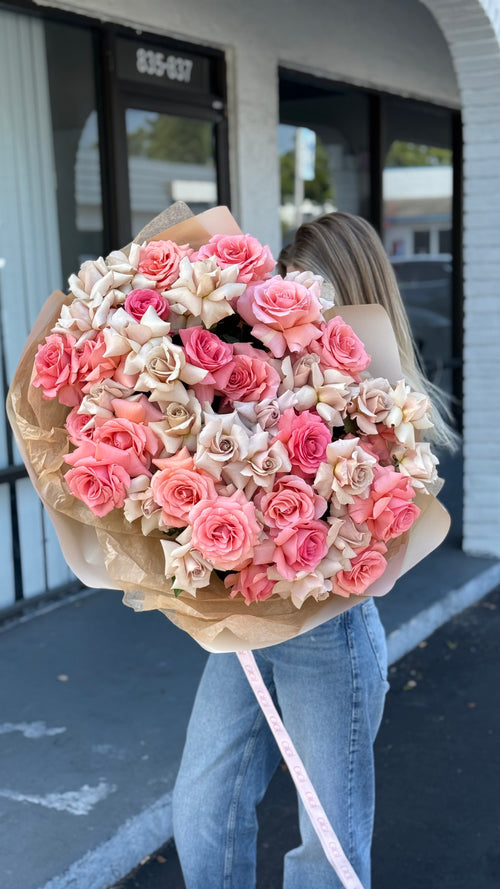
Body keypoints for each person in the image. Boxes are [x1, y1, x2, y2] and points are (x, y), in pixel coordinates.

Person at [172, 211, 457, 889]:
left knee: (326, 845)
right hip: (251, 617)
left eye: (315, 296)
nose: (297, 322)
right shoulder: (270, 361)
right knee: (201, 805)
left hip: (331, 628)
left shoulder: (385, 398)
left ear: (351, 294)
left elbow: (382, 522)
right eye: (289, 293)